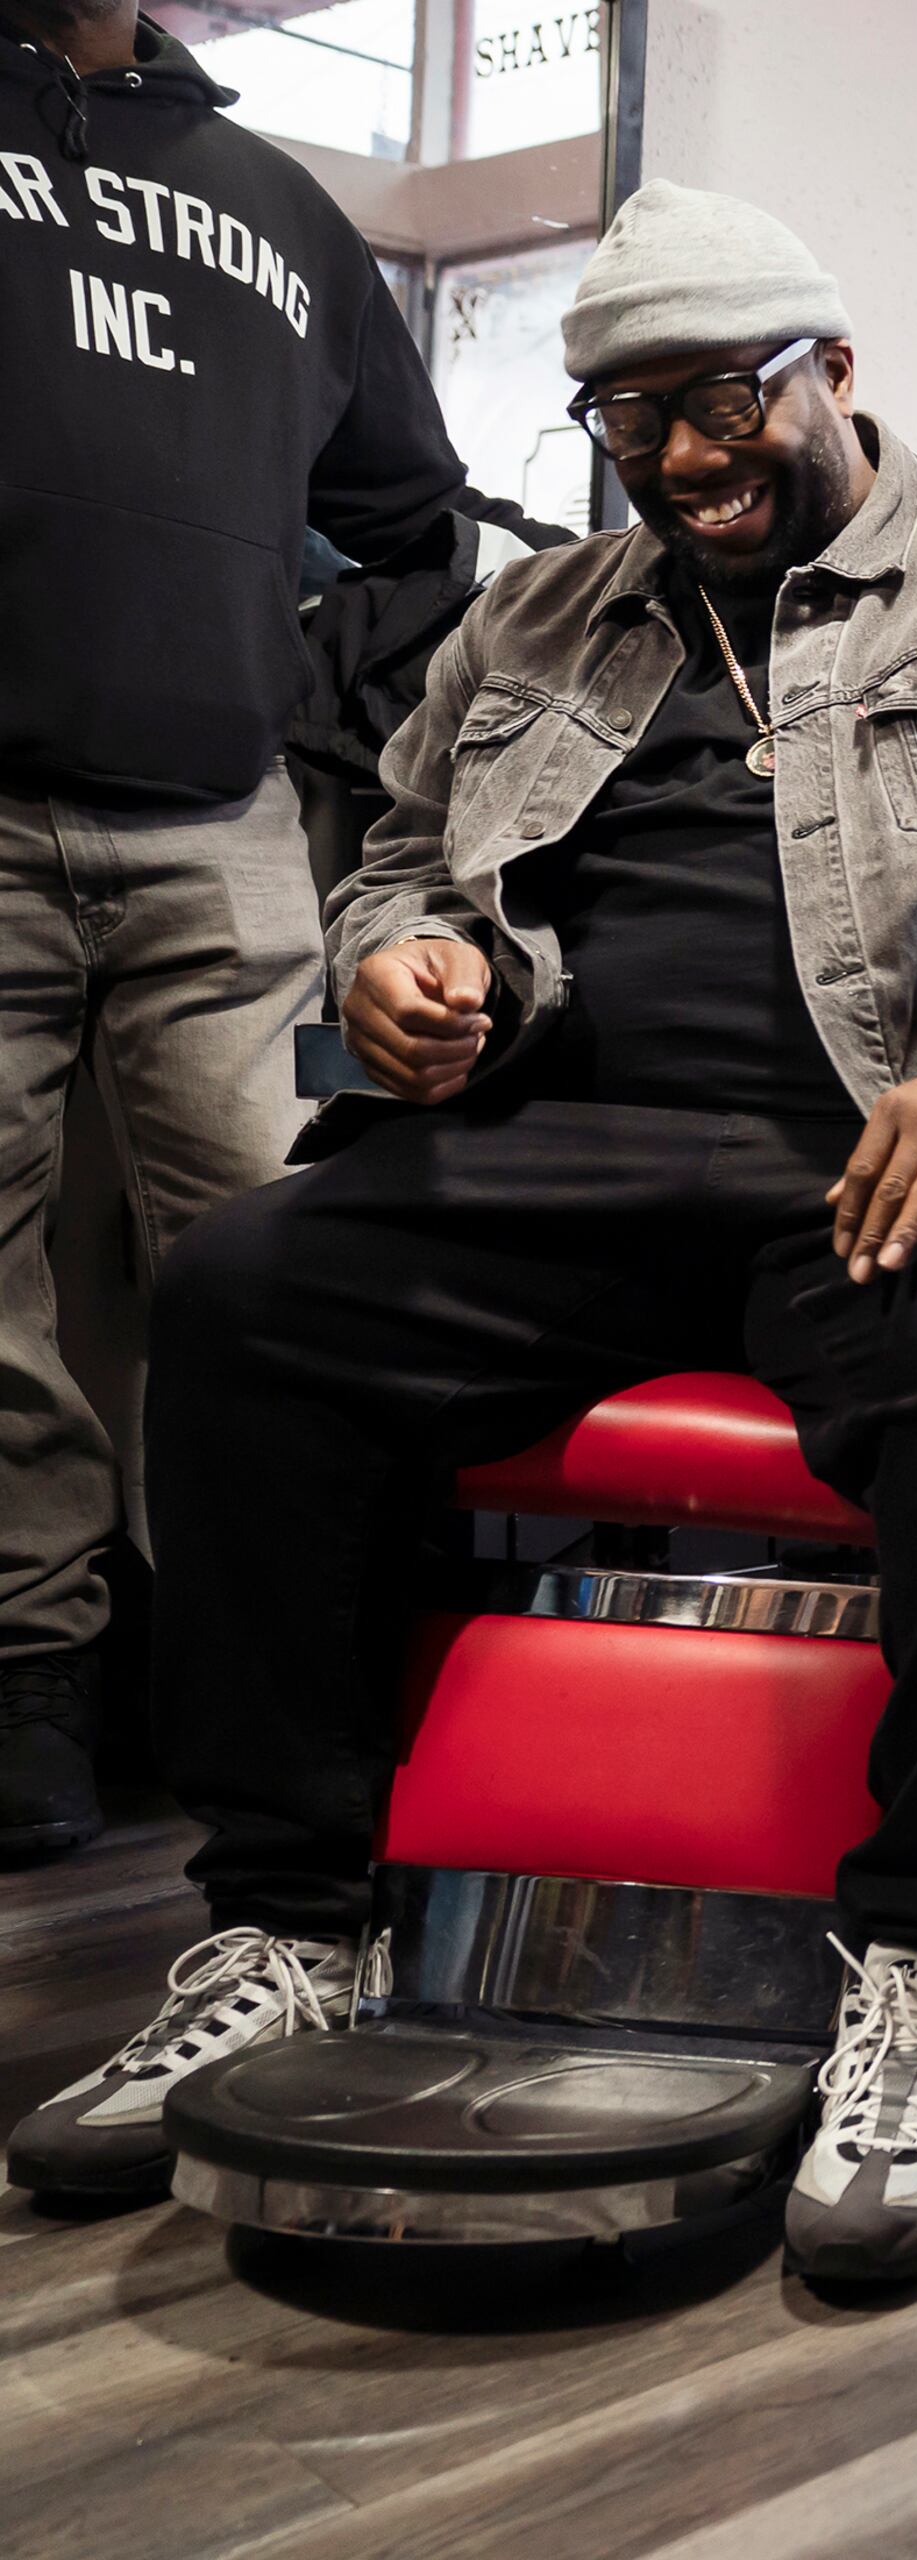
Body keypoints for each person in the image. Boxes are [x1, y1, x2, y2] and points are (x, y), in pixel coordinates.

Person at [1, 183, 917, 2287]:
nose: (685, 457)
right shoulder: (540, 617)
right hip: (575, 1150)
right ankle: (286, 1921)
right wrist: (411, 972)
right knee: (244, 1294)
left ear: (833, 369)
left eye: (724, 399)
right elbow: (403, 858)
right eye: (628, 419)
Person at [0, 0, 475, 1860]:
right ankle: (33, 1673)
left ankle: (262, 1676)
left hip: (221, 826)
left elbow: (415, 520)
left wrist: (285, 675)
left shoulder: (277, 206)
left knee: (279, 1261)